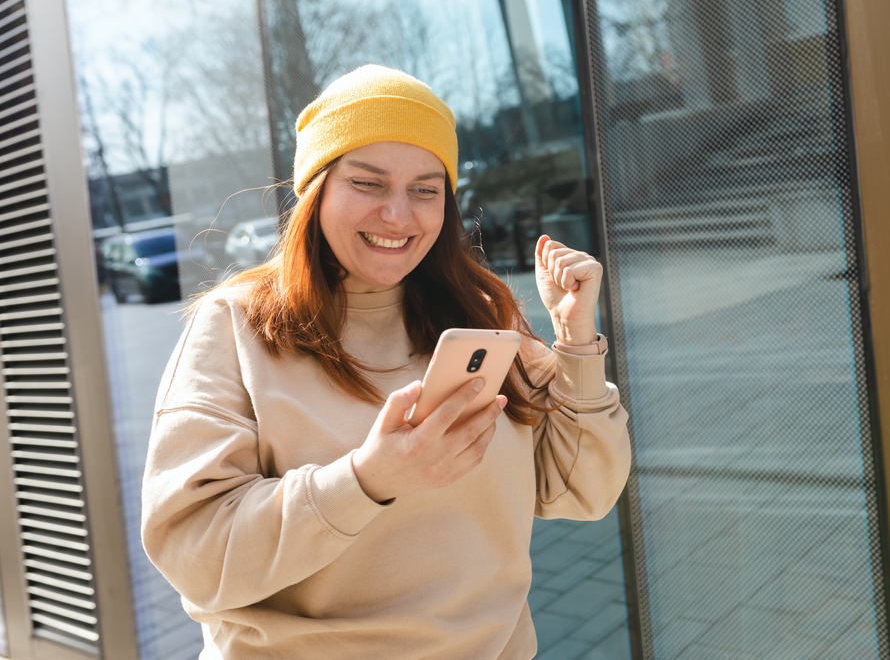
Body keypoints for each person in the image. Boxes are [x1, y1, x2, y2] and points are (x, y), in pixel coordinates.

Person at [141, 64, 631, 659]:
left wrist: (575, 341)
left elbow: (584, 490)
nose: (398, 215)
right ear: (316, 191)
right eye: (368, 184)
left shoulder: (478, 318)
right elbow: (195, 554)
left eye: (425, 189)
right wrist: (366, 480)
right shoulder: (235, 326)